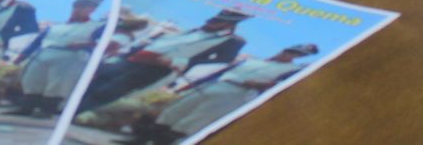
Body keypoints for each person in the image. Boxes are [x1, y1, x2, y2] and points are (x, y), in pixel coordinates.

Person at [129, 43, 319, 143]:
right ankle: (138, 140)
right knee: (174, 111)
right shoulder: (255, 61)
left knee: (192, 121)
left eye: (295, 54)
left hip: (237, 93)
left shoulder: (290, 70)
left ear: (299, 57)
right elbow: (221, 72)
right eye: (289, 50)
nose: (289, 54)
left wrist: (262, 86)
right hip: (216, 85)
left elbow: (278, 87)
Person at [78, 10, 249, 112]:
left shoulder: (232, 41)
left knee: (112, 90)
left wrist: (180, 61)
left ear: (227, 25)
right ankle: (71, 106)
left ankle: (77, 111)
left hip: (159, 67)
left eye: (216, 22)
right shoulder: (195, 30)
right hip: (137, 58)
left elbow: (223, 59)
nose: (209, 23)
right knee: (101, 79)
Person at [5, 0, 107, 118]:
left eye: (85, 6)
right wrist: (23, 56)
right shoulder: (56, 27)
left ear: (93, 9)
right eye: (78, 5)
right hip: (45, 53)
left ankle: (46, 111)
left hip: (70, 57)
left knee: (57, 84)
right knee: (33, 79)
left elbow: (103, 44)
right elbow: (37, 42)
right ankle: (26, 107)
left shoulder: (96, 27)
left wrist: (84, 45)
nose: (79, 8)